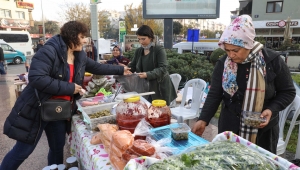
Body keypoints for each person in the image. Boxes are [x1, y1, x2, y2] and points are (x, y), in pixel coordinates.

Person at [1, 21, 131, 170]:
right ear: (72, 36)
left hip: (59, 110)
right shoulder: (49, 51)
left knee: (57, 149)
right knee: (22, 151)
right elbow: (37, 78)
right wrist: (69, 88)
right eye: (82, 37)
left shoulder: (79, 54)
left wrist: (121, 70)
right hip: (37, 108)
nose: (85, 40)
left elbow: (97, 67)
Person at [192, 15, 295, 154]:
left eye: (235, 50)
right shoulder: (224, 64)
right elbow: (215, 94)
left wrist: (271, 109)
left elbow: (288, 91)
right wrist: (203, 119)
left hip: (263, 132)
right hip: (230, 127)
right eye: (227, 50)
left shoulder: (272, 61)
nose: (231, 55)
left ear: (248, 44)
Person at [128, 25, 176, 105]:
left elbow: (163, 68)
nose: (141, 42)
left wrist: (147, 74)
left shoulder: (159, 50)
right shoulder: (139, 51)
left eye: (143, 39)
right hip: (145, 87)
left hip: (160, 87)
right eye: (139, 39)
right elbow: (132, 66)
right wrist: (124, 70)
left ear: (150, 37)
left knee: (159, 113)